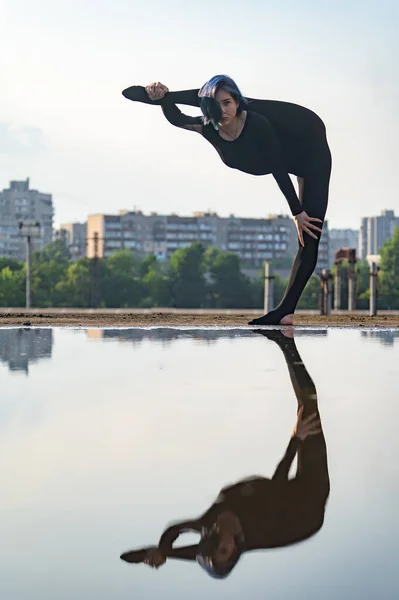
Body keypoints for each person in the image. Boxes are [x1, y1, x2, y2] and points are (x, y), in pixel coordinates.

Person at [119, 329, 330, 578]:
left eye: (214, 544)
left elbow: (174, 530)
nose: (219, 540)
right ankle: (286, 340)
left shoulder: (209, 526)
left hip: (278, 498)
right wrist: (296, 438)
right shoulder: (256, 525)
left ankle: (284, 336)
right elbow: (278, 486)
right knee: (308, 411)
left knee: (305, 411)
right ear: (235, 548)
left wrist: (161, 551)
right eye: (224, 549)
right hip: (306, 509)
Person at [122, 76, 332, 325]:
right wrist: (161, 97)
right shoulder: (209, 127)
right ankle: (285, 314)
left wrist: (297, 213)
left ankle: (285, 310)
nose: (223, 112)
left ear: (236, 102)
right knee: (207, 96)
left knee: (309, 235)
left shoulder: (256, 123)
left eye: (228, 103)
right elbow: (178, 118)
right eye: (216, 105)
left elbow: (277, 166)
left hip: (309, 145)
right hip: (283, 146)